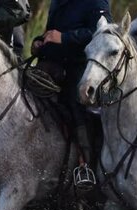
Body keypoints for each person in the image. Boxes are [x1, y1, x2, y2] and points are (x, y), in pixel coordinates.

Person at [31, 0, 112, 190]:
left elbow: (102, 30)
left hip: (79, 66)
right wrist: (39, 41)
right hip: (50, 64)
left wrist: (65, 38)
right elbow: (53, 32)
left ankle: (85, 166)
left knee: (75, 105)